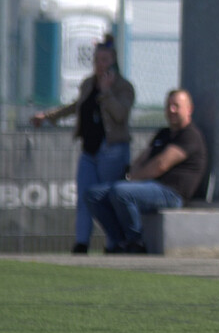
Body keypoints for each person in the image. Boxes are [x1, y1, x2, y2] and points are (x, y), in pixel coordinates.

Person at [31, 34, 135, 254]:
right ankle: (81, 243)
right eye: (97, 60)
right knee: (84, 197)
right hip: (89, 151)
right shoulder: (88, 84)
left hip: (112, 151)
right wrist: (50, 116)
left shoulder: (124, 87)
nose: (100, 65)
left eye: (105, 60)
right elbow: (76, 106)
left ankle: (113, 243)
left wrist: (107, 92)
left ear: (113, 60)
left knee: (108, 199)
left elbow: (120, 114)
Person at [85, 88, 208, 254]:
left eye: (176, 106)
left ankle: (136, 242)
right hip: (149, 186)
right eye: (168, 105)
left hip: (171, 193)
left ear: (189, 109)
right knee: (93, 194)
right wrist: (131, 175)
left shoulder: (190, 135)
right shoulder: (163, 133)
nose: (171, 110)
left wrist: (131, 179)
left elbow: (161, 165)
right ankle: (119, 242)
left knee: (121, 192)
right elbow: (143, 158)